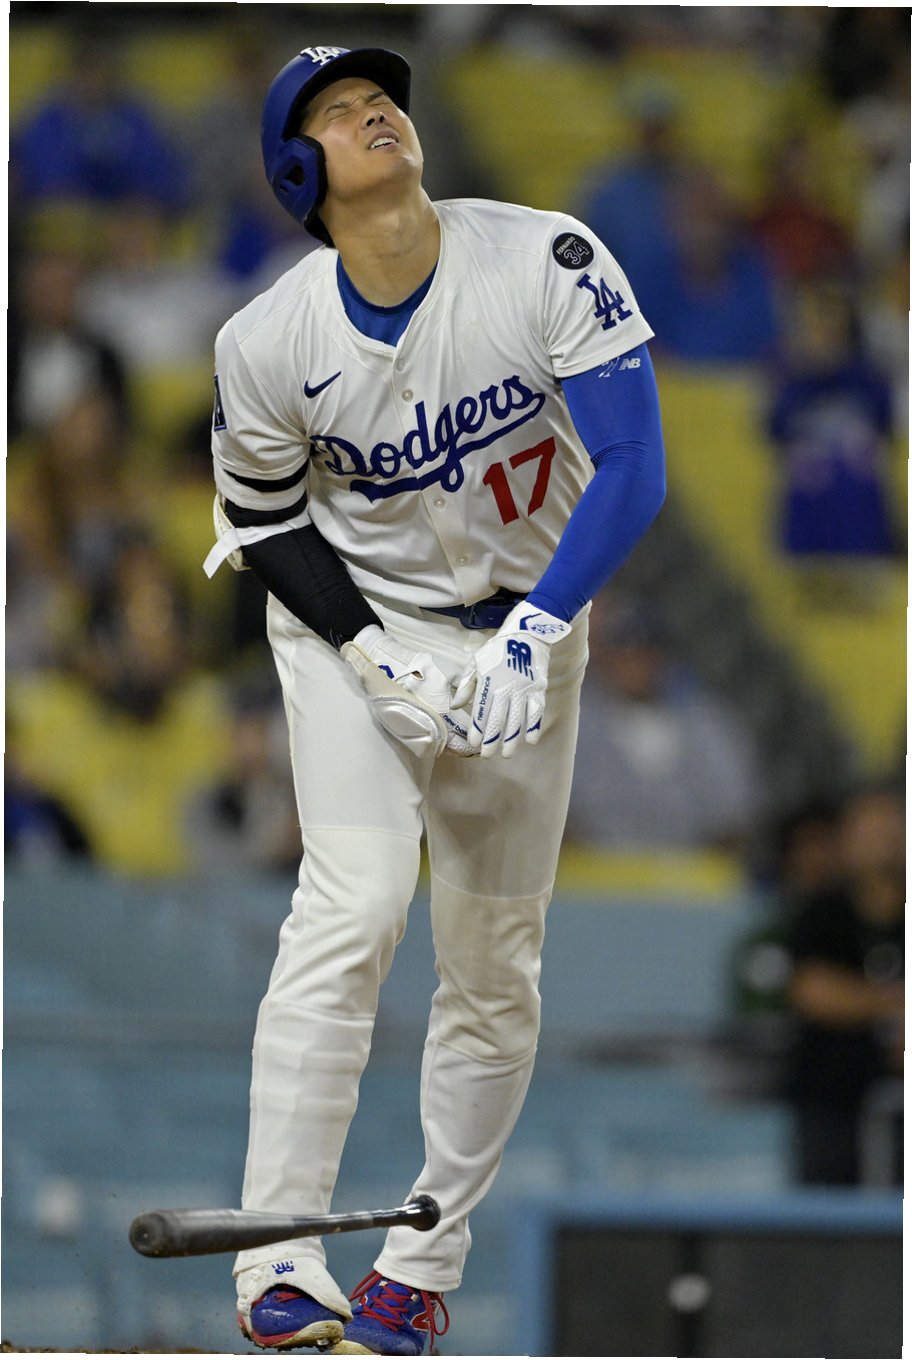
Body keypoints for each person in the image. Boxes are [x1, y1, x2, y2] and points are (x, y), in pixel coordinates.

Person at [203, 43, 665, 1355]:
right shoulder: (268, 339)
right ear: (299, 174)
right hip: (360, 634)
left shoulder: (544, 256)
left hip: (532, 621)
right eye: (336, 113)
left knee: (494, 963)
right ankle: (276, 1255)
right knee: (351, 907)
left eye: (378, 98)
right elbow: (264, 521)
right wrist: (364, 652)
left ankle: (418, 1263)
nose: (372, 113)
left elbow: (633, 466)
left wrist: (534, 635)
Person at [565, 592, 762, 853]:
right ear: (606, 658)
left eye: (643, 653)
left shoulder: (705, 723)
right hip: (594, 871)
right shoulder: (575, 722)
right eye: (624, 652)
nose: (634, 664)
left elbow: (734, 813)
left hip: (691, 871)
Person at [781, 785, 904, 1186]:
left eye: (891, 829)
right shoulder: (822, 913)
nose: (882, 843)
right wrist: (893, 1005)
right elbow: (812, 992)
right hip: (833, 1103)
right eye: (869, 831)